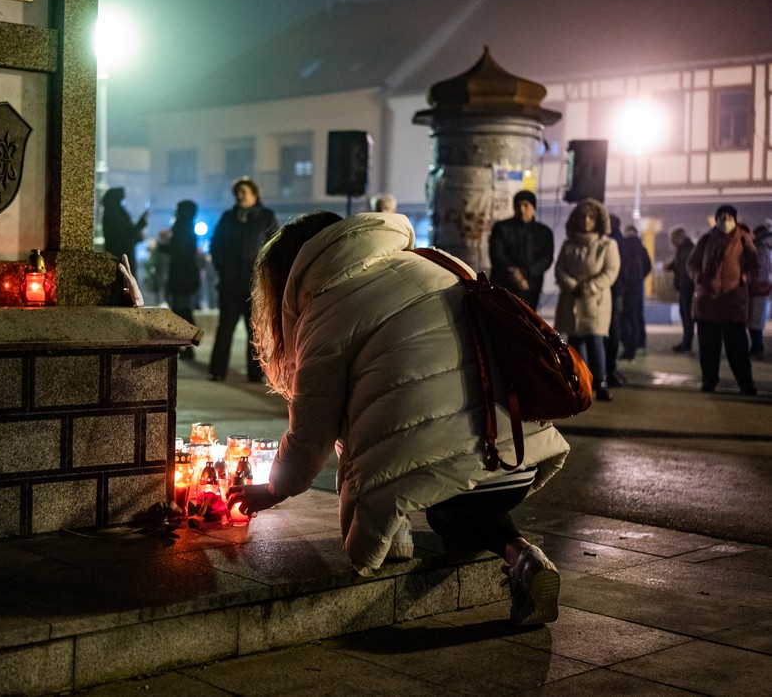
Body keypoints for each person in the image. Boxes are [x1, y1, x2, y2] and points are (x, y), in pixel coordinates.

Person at [229, 210, 570, 626]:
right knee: (459, 502)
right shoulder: (435, 261)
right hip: (516, 457)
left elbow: (311, 431)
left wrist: (274, 489)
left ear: (292, 273)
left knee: (443, 493)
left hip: (452, 474)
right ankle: (524, 557)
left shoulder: (327, 305)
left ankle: (396, 530)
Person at [208, 177, 278, 382]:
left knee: (255, 332)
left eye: (244, 192)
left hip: (255, 284)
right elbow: (216, 244)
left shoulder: (266, 217)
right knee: (225, 329)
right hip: (229, 284)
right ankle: (217, 370)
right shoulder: (228, 217)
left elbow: (274, 245)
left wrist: (265, 273)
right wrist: (222, 267)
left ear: (255, 194)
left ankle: (256, 373)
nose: (240, 196)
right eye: (237, 192)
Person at [553, 198, 621, 402]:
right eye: (582, 216)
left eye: (591, 217)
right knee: (575, 343)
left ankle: (600, 382)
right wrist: (571, 286)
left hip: (596, 302)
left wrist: (589, 287)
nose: (586, 220)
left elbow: (610, 272)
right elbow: (559, 268)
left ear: (598, 220)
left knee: (595, 341)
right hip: (572, 300)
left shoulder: (608, 245)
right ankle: (580, 385)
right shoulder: (569, 244)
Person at [686, 205, 758, 394]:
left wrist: (744, 278)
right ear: (716, 218)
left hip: (732, 303)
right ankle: (709, 381)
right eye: (722, 216)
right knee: (708, 348)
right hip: (707, 302)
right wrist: (698, 277)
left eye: (729, 216)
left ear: (735, 219)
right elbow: (692, 263)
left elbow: (754, 265)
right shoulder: (706, 239)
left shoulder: (744, 239)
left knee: (738, 348)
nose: (725, 220)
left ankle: (745, 382)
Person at [489, 190, 555, 311]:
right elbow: (496, 254)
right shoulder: (502, 228)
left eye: (526, 205)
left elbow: (546, 258)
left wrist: (526, 272)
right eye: (518, 205)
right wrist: (515, 273)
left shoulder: (543, 232)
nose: (521, 209)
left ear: (533, 208)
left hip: (531, 285)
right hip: (503, 283)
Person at [159, 200, 202, 359]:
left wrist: (161, 245)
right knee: (183, 310)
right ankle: (188, 346)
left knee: (181, 311)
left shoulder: (181, 227)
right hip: (188, 275)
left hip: (181, 276)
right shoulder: (187, 227)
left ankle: (189, 345)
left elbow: (176, 250)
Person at [618, 225, 652, 360]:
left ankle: (629, 348)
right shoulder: (641, 248)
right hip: (637, 287)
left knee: (626, 318)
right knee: (637, 316)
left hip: (626, 287)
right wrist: (639, 278)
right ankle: (640, 344)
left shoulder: (623, 246)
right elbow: (648, 266)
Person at [603, 214, 627, 386]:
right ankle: (609, 369)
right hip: (617, 291)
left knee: (607, 332)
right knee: (612, 331)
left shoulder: (609, 241)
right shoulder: (621, 240)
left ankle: (606, 369)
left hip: (609, 291)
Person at [665, 227, 696, 353]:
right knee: (685, 315)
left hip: (687, 288)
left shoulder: (687, 250)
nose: (671, 242)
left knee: (687, 316)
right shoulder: (683, 249)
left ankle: (687, 343)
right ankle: (686, 342)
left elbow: (687, 270)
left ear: (679, 238)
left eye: (673, 239)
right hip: (684, 287)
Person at [101, 187, 148, 269]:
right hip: (120, 255)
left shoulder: (114, 213)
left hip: (122, 254)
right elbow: (126, 232)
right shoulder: (114, 215)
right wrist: (141, 223)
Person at [747, 222, 771, 360]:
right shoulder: (767, 250)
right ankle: (756, 348)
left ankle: (757, 349)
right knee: (756, 321)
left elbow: (756, 271)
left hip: (756, 288)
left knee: (753, 322)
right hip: (762, 288)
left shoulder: (758, 250)